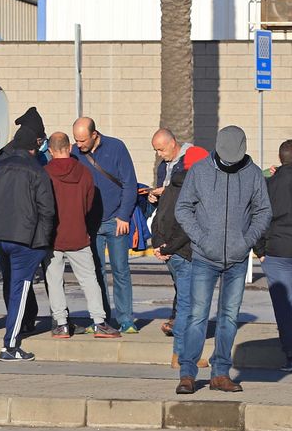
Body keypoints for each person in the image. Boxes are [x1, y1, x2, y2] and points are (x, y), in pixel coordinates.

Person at [173, 126, 271, 394]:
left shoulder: (252, 174)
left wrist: (247, 239)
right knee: (197, 316)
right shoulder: (200, 171)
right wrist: (201, 238)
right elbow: (182, 208)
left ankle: (220, 373)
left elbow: (264, 211)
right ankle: (187, 373)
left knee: (229, 317)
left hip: (238, 259)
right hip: (204, 257)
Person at [0, 116, 55, 362]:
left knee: (12, 286)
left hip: (1, 235)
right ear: (33, 146)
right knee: (20, 289)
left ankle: (13, 336)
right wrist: (42, 243)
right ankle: (10, 345)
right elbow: (47, 210)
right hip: (26, 239)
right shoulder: (36, 170)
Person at [45, 132, 117, 340]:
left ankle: (61, 324)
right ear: (69, 148)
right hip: (78, 233)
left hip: (53, 237)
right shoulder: (85, 173)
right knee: (89, 279)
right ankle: (99, 322)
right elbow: (88, 204)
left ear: (50, 151)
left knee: (55, 281)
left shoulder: (45, 173)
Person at [71, 117, 139, 333]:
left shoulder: (116, 147)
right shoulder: (74, 152)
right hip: (91, 223)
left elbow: (130, 183)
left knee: (121, 270)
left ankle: (126, 319)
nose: (79, 145)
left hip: (115, 220)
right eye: (76, 140)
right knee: (95, 272)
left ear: (94, 134)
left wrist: (124, 216)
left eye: (82, 140)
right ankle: (100, 319)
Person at [149, 144, 210, 378]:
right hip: (184, 254)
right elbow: (188, 227)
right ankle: (182, 355)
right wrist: (169, 247)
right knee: (188, 306)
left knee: (186, 304)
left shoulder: (171, 186)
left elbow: (157, 219)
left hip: (171, 253)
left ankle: (184, 354)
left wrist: (159, 245)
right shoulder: (194, 190)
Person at [256, 140, 292, 373]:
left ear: (280, 159)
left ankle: (291, 356)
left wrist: (259, 250)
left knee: (283, 306)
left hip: (276, 250)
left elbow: (256, 217)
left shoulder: (267, 185)